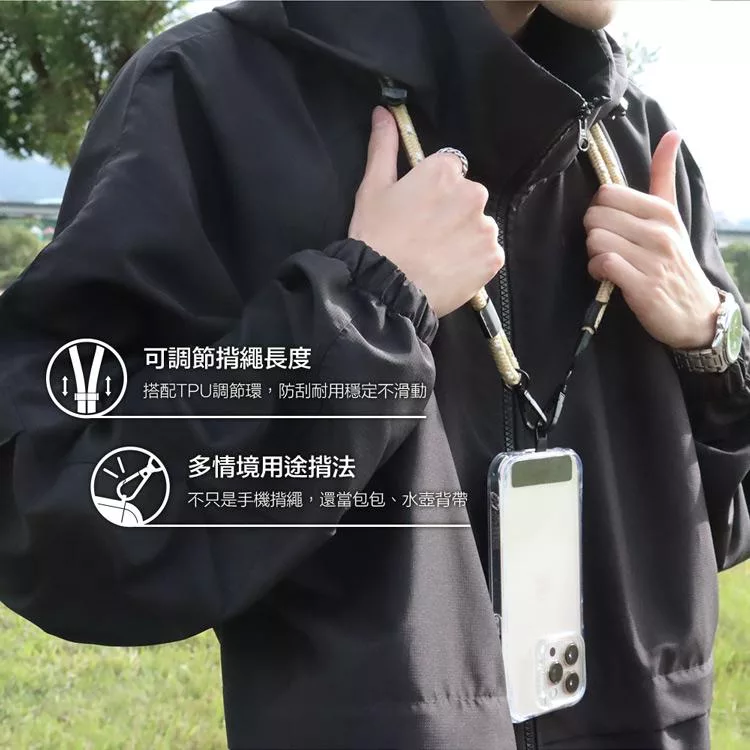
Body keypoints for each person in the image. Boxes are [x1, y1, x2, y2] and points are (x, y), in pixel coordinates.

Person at [0, 1, 748, 748]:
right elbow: (58, 511)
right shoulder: (210, 95)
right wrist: (365, 313)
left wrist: (715, 344)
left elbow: (721, 521)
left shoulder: (638, 142)